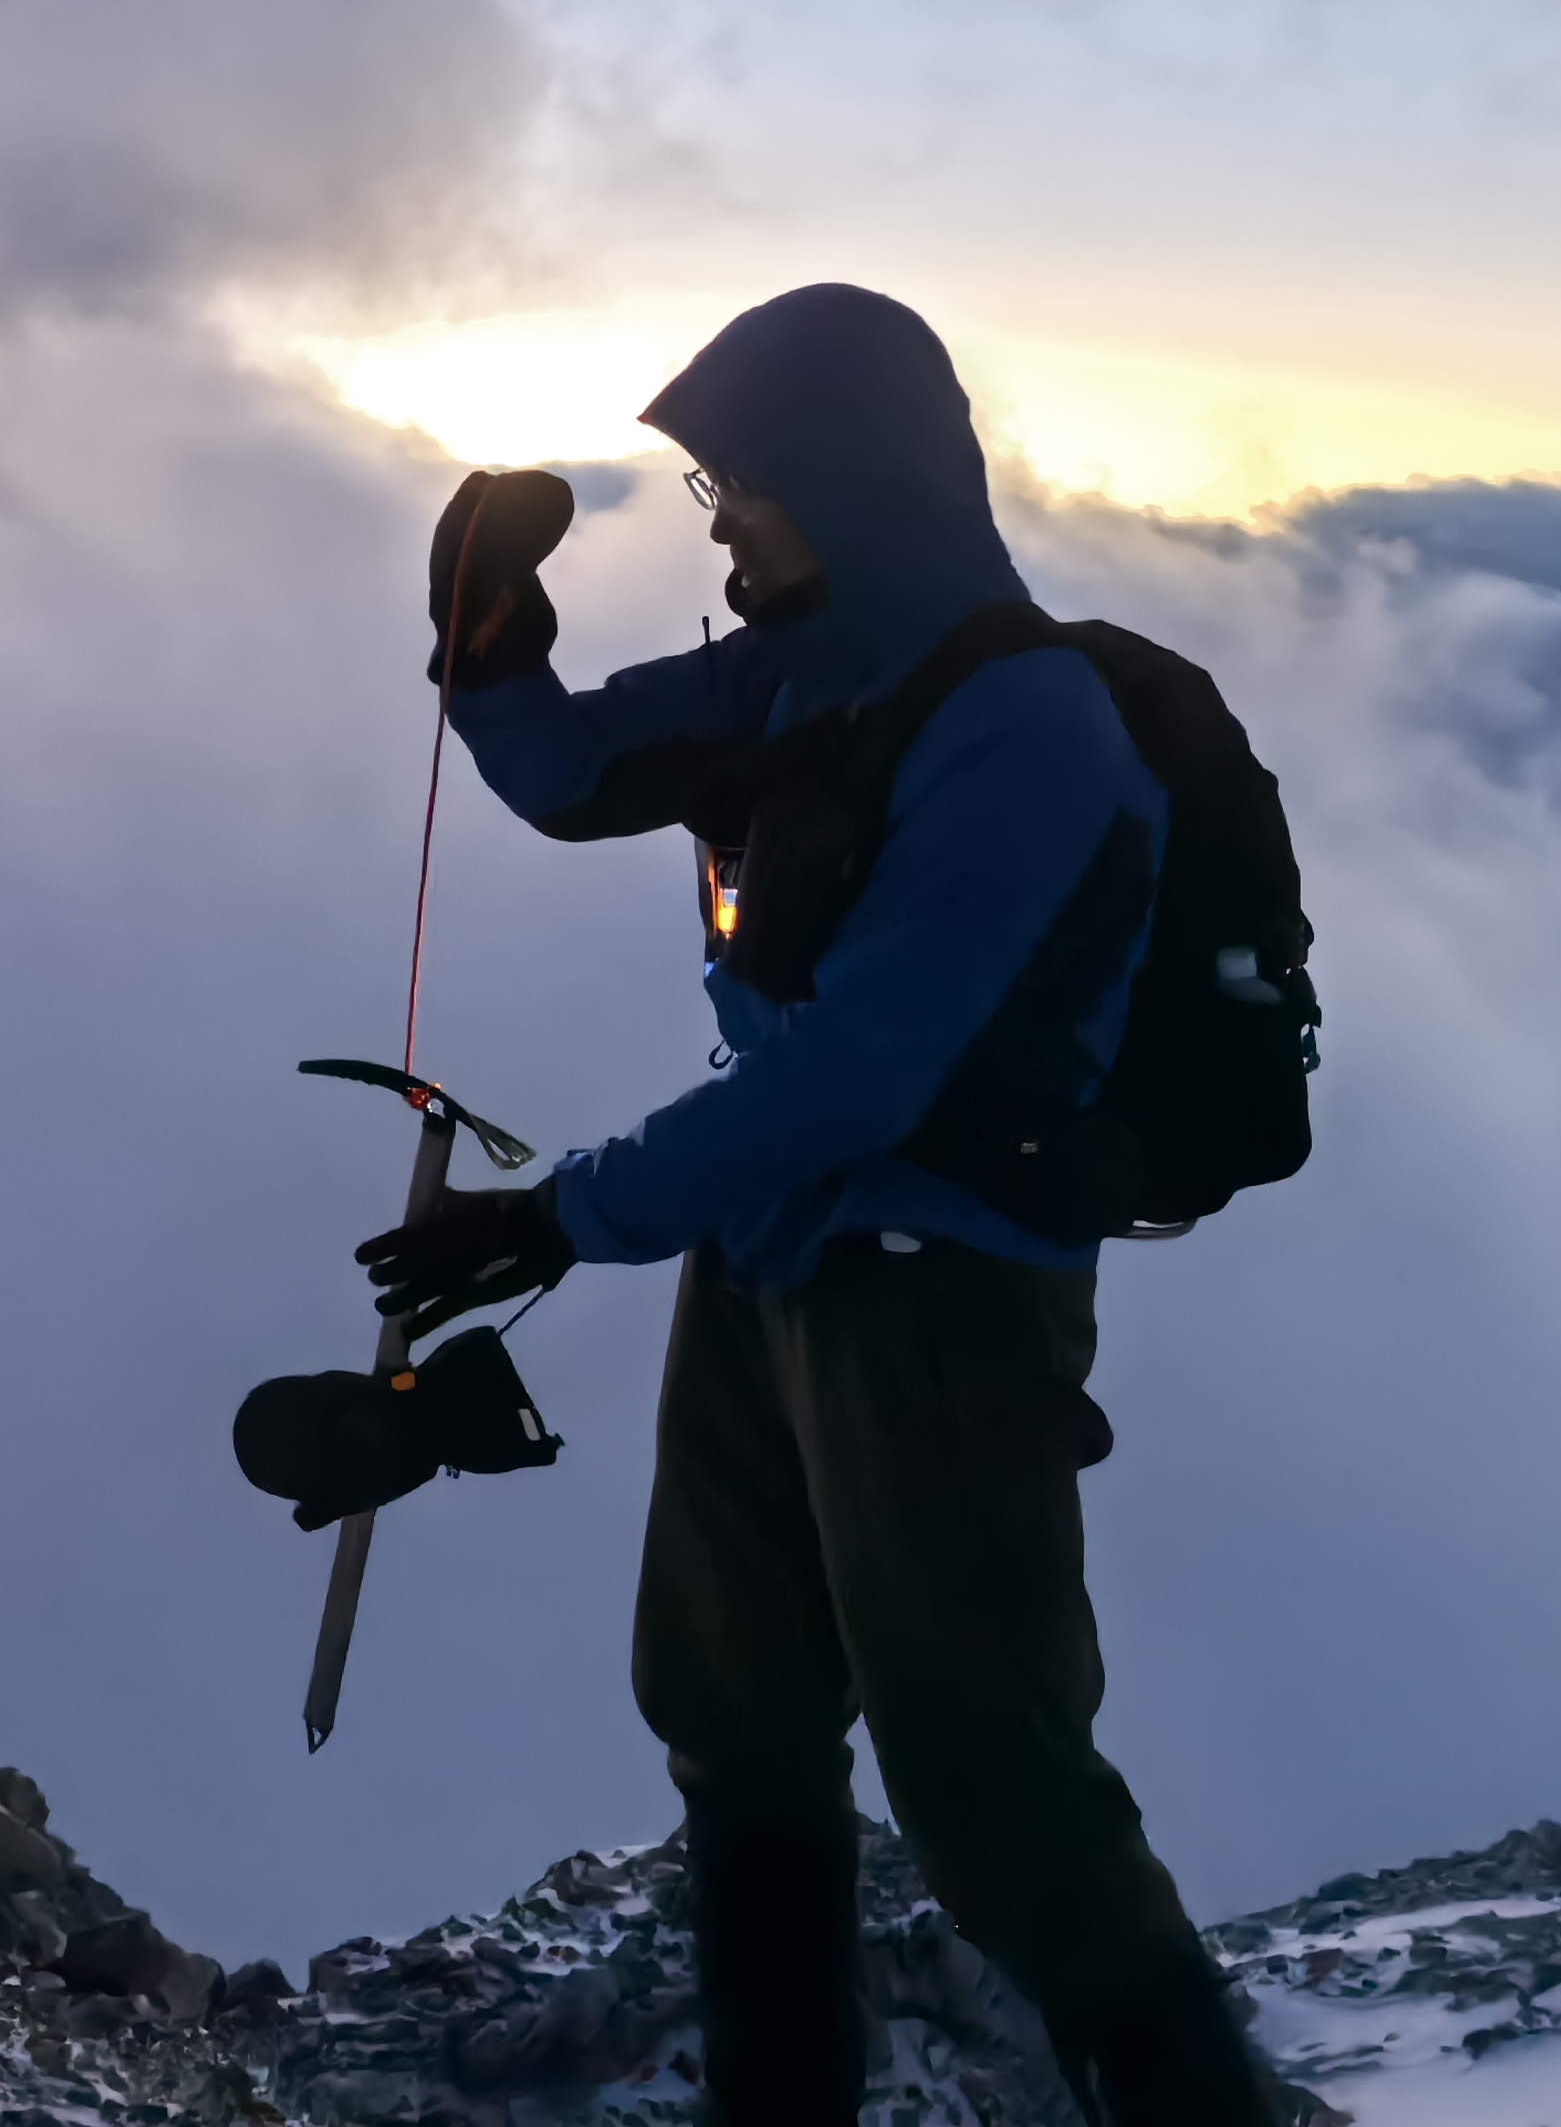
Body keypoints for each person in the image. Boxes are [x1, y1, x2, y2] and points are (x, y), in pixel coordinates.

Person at [358, 285, 1281, 2127]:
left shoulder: (1025, 725)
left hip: (946, 1291)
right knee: (733, 1719)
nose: (721, 529)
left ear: (852, 487)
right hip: (773, 1248)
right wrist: (491, 645)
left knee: (996, 1788)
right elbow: (573, 776)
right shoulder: (799, 670)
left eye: (743, 492)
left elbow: (866, 1071)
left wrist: (556, 1220)